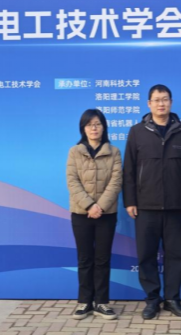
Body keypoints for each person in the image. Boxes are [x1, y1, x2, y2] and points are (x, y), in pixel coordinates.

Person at [123, 84, 181, 320]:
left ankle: (172, 299)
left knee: (176, 255)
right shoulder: (137, 132)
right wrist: (130, 201)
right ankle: (152, 300)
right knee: (146, 255)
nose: (161, 104)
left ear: (171, 102)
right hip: (145, 205)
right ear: (149, 104)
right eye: (156, 100)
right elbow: (129, 170)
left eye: (165, 99)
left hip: (176, 205)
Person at [66, 109, 123, 320]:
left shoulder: (114, 152)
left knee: (102, 259)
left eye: (98, 124)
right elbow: (72, 181)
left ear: (104, 127)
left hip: (106, 214)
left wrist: (100, 206)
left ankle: (102, 303)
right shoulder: (74, 152)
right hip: (81, 213)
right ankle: (84, 302)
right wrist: (90, 206)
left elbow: (116, 182)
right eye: (89, 124)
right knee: (84, 258)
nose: (94, 128)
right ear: (83, 128)